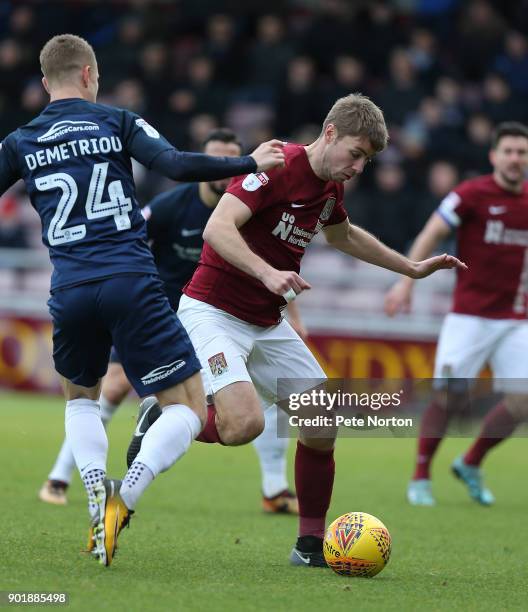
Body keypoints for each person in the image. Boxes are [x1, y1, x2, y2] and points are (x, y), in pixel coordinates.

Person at [128, 93, 465, 567]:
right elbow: (218, 229)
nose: (358, 167)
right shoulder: (276, 164)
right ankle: (164, 419)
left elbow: (342, 235)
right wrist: (268, 273)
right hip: (212, 310)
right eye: (356, 153)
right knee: (245, 425)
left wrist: (408, 268)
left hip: (266, 321)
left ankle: (309, 546)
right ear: (330, 133)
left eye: (366, 160)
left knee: (322, 423)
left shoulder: (330, 187)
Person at [0, 34, 285, 566]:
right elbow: (174, 165)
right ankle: (122, 495)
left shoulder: (20, 141)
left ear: (45, 83)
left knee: (81, 398)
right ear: (89, 74)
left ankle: (90, 491)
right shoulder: (116, 122)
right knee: (186, 405)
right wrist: (249, 161)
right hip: (131, 280)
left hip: (70, 288)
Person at [39, 127, 301, 514]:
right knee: (110, 387)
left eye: (231, 164)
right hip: (156, 311)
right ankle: (59, 477)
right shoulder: (171, 206)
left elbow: (278, 261)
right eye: (216, 161)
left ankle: (275, 487)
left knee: (271, 388)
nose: (222, 173)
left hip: (219, 314)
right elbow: (129, 237)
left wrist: (293, 313)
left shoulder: (251, 209)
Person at [384, 121, 528, 507]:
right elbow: (431, 234)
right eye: (509, 151)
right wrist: (406, 281)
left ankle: (471, 461)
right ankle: (420, 477)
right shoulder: (470, 195)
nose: (516, 159)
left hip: (516, 319)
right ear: (494, 156)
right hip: (470, 315)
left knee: (523, 401)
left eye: (522, 152)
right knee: (449, 397)